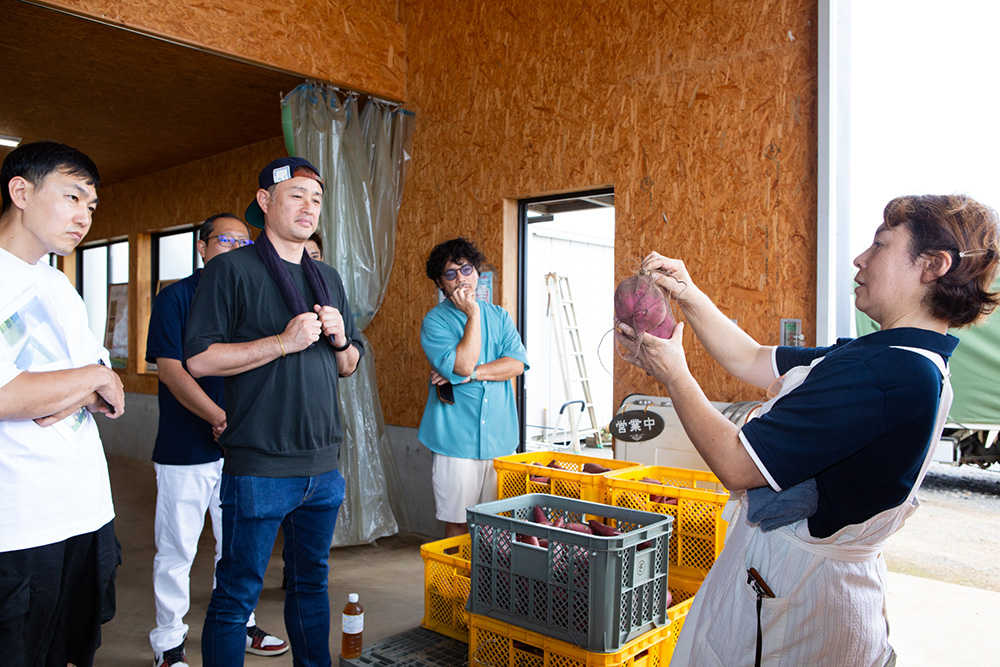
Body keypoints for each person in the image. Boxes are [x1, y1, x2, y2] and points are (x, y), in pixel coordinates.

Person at [616, 194, 1000, 666]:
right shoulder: (881, 355)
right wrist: (688, 294)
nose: (860, 258)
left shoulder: (894, 374)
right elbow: (752, 358)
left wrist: (675, 374)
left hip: (798, 597)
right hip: (791, 582)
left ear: (933, 266)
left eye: (880, 245)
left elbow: (738, 465)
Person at [184, 156, 363, 667]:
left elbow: (348, 365)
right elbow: (199, 359)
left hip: (323, 466)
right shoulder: (230, 271)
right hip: (260, 464)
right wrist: (283, 343)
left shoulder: (326, 277)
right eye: (296, 196)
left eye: (316, 199)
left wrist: (341, 337)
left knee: (311, 586)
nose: (309, 207)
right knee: (237, 596)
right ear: (265, 202)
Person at [0, 141, 125, 666]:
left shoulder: (61, 286)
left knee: (72, 651)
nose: (84, 217)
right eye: (72, 197)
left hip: (87, 508)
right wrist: (88, 379)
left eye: (91, 206)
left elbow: (108, 392)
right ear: (21, 191)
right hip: (19, 522)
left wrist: (83, 382)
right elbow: (6, 396)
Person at [146, 213, 288, 666]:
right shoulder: (176, 298)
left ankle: (240, 623)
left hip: (243, 449)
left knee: (239, 548)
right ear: (202, 248)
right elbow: (170, 370)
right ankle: (168, 645)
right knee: (177, 549)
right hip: (186, 448)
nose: (236, 247)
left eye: (245, 241)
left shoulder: (251, 297)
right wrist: (219, 416)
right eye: (225, 239)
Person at [418, 238, 529, 537]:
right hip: (455, 440)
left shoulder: (501, 317)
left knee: (498, 525)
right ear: (441, 283)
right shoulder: (435, 322)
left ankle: (490, 586)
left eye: (466, 269)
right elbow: (462, 364)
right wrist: (474, 315)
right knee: (457, 520)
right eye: (450, 274)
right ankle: (458, 585)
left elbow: (515, 365)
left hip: (501, 438)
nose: (461, 278)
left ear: (477, 272)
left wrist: (474, 375)